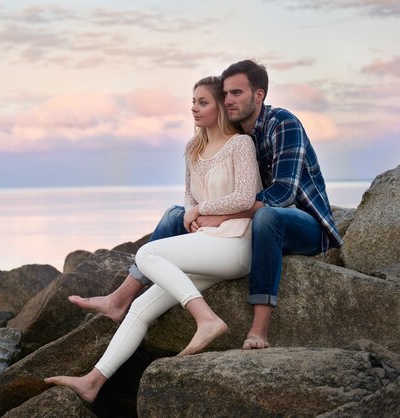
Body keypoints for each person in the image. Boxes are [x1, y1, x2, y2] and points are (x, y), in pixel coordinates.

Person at [71, 59, 343, 351]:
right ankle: (121, 298)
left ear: (259, 95)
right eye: (225, 94)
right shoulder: (237, 133)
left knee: (268, 218)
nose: (228, 101)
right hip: (255, 225)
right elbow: (222, 191)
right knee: (176, 214)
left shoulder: (283, 123)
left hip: (305, 225)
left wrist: (217, 214)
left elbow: (283, 193)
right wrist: (200, 214)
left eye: (236, 93)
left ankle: (259, 329)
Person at [45, 75, 261, 402]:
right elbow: (189, 198)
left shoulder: (241, 145)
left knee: (147, 255)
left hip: (234, 247)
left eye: (202, 102)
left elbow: (246, 198)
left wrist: (203, 209)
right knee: (142, 307)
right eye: (192, 102)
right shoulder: (194, 149)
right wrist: (195, 213)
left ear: (220, 106)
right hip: (206, 246)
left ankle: (206, 319)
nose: (194, 108)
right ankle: (93, 381)